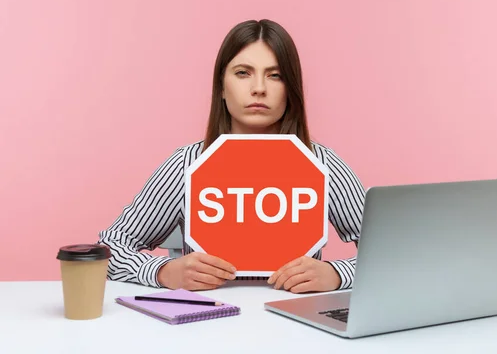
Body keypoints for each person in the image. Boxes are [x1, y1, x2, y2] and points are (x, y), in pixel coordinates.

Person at [98, 19, 365, 294]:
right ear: (222, 88)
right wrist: (163, 272)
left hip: (298, 325)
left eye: (275, 75)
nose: (259, 88)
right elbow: (108, 249)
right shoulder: (186, 164)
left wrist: (336, 274)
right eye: (243, 73)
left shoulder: (322, 164)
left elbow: (397, 252)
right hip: (205, 325)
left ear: (291, 90)